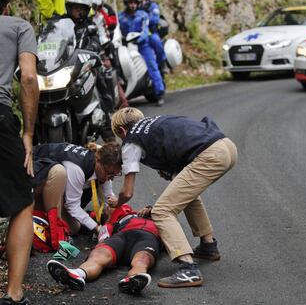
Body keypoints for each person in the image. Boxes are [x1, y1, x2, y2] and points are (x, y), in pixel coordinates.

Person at [110, 107, 238, 288]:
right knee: (186, 194)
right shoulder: (155, 122)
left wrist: (117, 202)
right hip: (226, 146)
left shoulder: (131, 139)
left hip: (210, 155)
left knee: (162, 211)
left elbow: (127, 192)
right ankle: (208, 245)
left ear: (122, 131)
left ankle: (188, 268)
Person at [0, 0, 39, 304]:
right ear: (7, 5)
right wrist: (28, 132)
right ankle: (13, 292)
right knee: (23, 201)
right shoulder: (18, 27)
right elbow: (27, 77)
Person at [46, 204, 162, 295]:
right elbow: (100, 232)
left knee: (142, 259)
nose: (108, 207)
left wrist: (152, 210)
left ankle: (134, 280)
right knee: (99, 254)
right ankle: (77, 274)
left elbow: (168, 218)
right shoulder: (111, 223)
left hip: (148, 237)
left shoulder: (158, 218)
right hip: (122, 236)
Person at [33, 142, 122, 236]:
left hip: (52, 182)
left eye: (114, 175)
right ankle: (37, 212)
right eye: (108, 173)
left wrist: (114, 208)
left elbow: (108, 197)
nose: (109, 178)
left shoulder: (104, 163)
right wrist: (98, 228)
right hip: (34, 175)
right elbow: (72, 206)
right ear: (98, 160)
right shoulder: (77, 169)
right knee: (73, 228)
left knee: (76, 225)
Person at [64, 0, 116, 142]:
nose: (78, 11)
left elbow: (96, 43)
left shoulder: (90, 26)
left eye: (81, 8)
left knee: (100, 83)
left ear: (86, 10)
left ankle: (108, 131)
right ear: (69, 8)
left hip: (86, 66)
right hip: (65, 67)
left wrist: (91, 50)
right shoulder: (60, 23)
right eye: (75, 8)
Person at [118, 0, 165, 106]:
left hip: (143, 44)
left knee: (152, 66)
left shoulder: (143, 15)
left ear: (138, 3)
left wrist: (138, 39)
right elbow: (117, 30)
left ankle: (159, 93)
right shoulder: (120, 16)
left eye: (135, 2)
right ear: (126, 3)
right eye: (130, 3)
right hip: (125, 45)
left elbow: (145, 30)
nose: (133, 5)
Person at [136, 0, 168, 72]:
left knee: (156, 40)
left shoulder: (151, 5)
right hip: (136, 34)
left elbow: (155, 19)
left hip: (150, 33)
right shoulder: (131, 7)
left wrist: (145, 19)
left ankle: (162, 62)